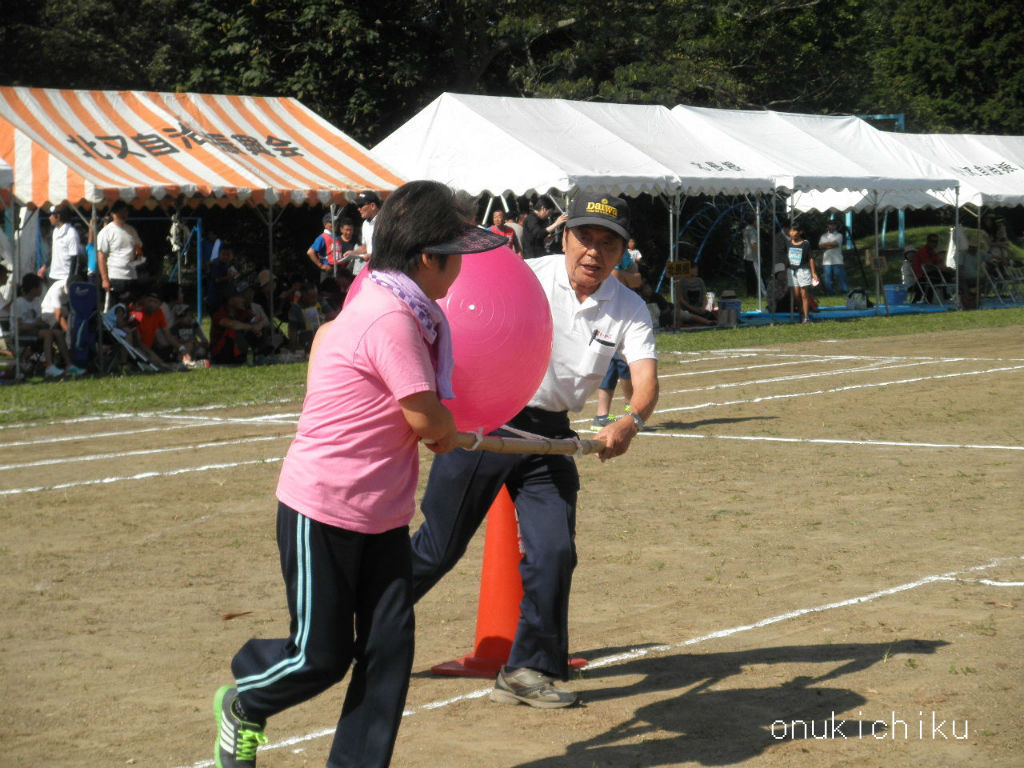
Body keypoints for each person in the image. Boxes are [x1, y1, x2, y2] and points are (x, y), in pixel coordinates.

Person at [213, 179, 506, 768]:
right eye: (458, 255)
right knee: (321, 656)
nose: (463, 270)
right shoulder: (391, 317)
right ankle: (247, 697)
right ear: (428, 259)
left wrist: (452, 428)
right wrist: (458, 434)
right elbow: (426, 420)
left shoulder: (392, 298)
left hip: (382, 515)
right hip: (322, 507)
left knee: (388, 652)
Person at [410, 192, 659, 709]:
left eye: (607, 244)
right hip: (488, 421)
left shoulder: (630, 308)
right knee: (438, 547)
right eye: (584, 238)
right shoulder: (524, 275)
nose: (593, 252)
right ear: (564, 237)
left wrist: (629, 422)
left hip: (550, 436)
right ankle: (360, 628)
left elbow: (646, 382)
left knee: (554, 552)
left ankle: (527, 669)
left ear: (622, 252)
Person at [13, 273, 82, 378]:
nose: (42, 289)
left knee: (57, 333)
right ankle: (49, 366)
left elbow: (38, 320)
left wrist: (41, 324)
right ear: (33, 289)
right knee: (48, 334)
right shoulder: (18, 303)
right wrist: (36, 324)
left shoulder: (36, 301)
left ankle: (69, 365)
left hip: (34, 331)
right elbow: (19, 326)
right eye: (40, 287)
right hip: (20, 333)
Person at [96, 201, 143, 302]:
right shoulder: (106, 232)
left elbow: (138, 246)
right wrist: (105, 279)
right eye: (120, 212)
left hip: (131, 276)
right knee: (115, 310)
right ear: (113, 214)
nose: (123, 214)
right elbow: (101, 256)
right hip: (115, 277)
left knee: (132, 309)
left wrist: (138, 256)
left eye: (125, 211)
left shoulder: (131, 230)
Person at [341, 190, 381, 275]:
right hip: (371, 269)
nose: (358, 209)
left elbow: (390, 248)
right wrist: (353, 253)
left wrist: (372, 256)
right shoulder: (365, 224)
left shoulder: (385, 222)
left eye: (361, 205)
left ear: (373, 206)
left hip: (384, 270)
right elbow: (364, 247)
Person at [41, 205, 81, 287]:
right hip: (53, 276)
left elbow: (75, 258)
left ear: (58, 216)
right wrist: (44, 266)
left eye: (51, 215)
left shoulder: (71, 233)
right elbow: (54, 252)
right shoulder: (56, 231)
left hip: (65, 277)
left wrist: (71, 279)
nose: (49, 218)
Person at [785, 223, 818, 323]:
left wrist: (813, 273)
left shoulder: (805, 244)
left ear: (800, 232)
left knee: (804, 294)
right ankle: (801, 311)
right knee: (796, 295)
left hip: (803, 271)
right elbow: (786, 259)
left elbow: (810, 258)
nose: (792, 233)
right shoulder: (788, 243)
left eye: (794, 231)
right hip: (791, 271)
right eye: (790, 231)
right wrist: (784, 271)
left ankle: (806, 316)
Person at [912, 233, 955, 301]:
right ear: (928, 242)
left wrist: (946, 268)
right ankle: (946, 295)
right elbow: (929, 266)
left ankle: (946, 295)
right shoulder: (923, 252)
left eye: (936, 242)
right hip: (921, 276)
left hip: (930, 274)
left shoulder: (932, 252)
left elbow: (938, 264)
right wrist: (943, 269)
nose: (935, 244)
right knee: (946, 275)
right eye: (933, 241)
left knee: (949, 273)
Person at [306, 213, 342, 281]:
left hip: (337, 269)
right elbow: (310, 252)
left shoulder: (336, 237)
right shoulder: (322, 237)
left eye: (336, 222)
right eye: (331, 222)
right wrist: (321, 265)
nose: (335, 224)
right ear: (325, 224)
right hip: (328, 270)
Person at [818, 219, 849, 295]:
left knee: (840, 277)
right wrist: (829, 245)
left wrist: (826, 245)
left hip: (837, 260)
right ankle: (830, 293)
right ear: (827, 226)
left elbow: (835, 244)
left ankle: (845, 292)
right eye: (830, 224)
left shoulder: (839, 235)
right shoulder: (823, 236)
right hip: (826, 261)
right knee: (828, 279)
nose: (831, 226)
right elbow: (820, 246)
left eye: (833, 225)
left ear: (836, 226)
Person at [741, 216, 760, 297]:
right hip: (752, 257)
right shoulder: (752, 231)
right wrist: (758, 256)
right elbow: (753, 244)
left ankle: (750, 293)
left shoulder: (745, 229)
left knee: (749, 276)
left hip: (746, 256)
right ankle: (753, 293)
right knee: (754, 276)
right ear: (754, 221)